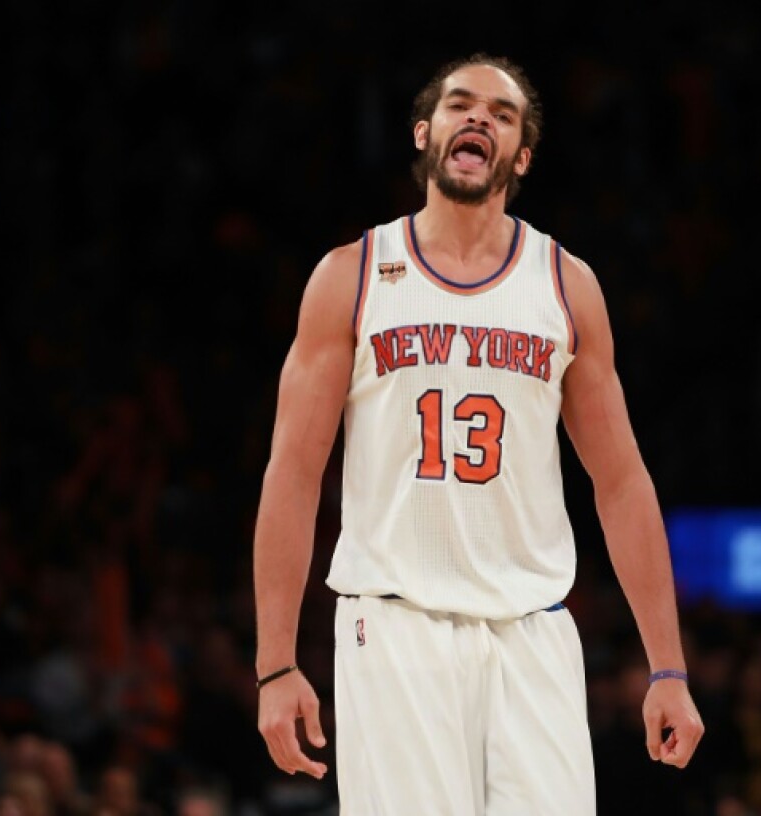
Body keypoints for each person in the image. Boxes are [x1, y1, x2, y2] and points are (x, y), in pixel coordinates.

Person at [252, 53, 704, 814]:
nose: (478, 119)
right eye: (461, 104)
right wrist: (273, 665)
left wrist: (669, 668)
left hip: (532, 631)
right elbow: (293, 474)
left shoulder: (566, 285)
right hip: (396, 623)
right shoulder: (352, 275)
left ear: (520, 156)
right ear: (425, 132)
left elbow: (621, 481)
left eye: (502, 115)